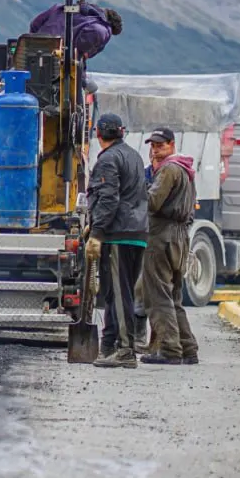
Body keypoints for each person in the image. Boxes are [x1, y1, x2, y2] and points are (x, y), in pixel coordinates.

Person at [84, 112, 149, 369]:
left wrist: (97, 233)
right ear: (121, 132)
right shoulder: (133, 155)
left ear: (98, 134)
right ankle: (108, 345)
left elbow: (109, 198)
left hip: (119, 234)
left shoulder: (108, 160)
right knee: (114, 293)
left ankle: (125, 350)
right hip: (137, 234)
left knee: (120, 295)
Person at [140, 127, 201, 365]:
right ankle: (188, 348)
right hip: (180, 237)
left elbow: (152, 202)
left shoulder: (168, 169)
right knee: (174, 296)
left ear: (171, 145)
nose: (155, 150)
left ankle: (169, 350)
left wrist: (139, 188)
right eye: (153, 146)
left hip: (161, 236)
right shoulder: (185, 170)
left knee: (158, 295)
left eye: (160, 145)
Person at [29, 2, 123, 60]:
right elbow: (78, 53)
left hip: (30, 55)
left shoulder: (58, 8)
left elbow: (34, 24)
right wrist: (85, 54)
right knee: (88, 88)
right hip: (59, 68)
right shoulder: (102, 30)